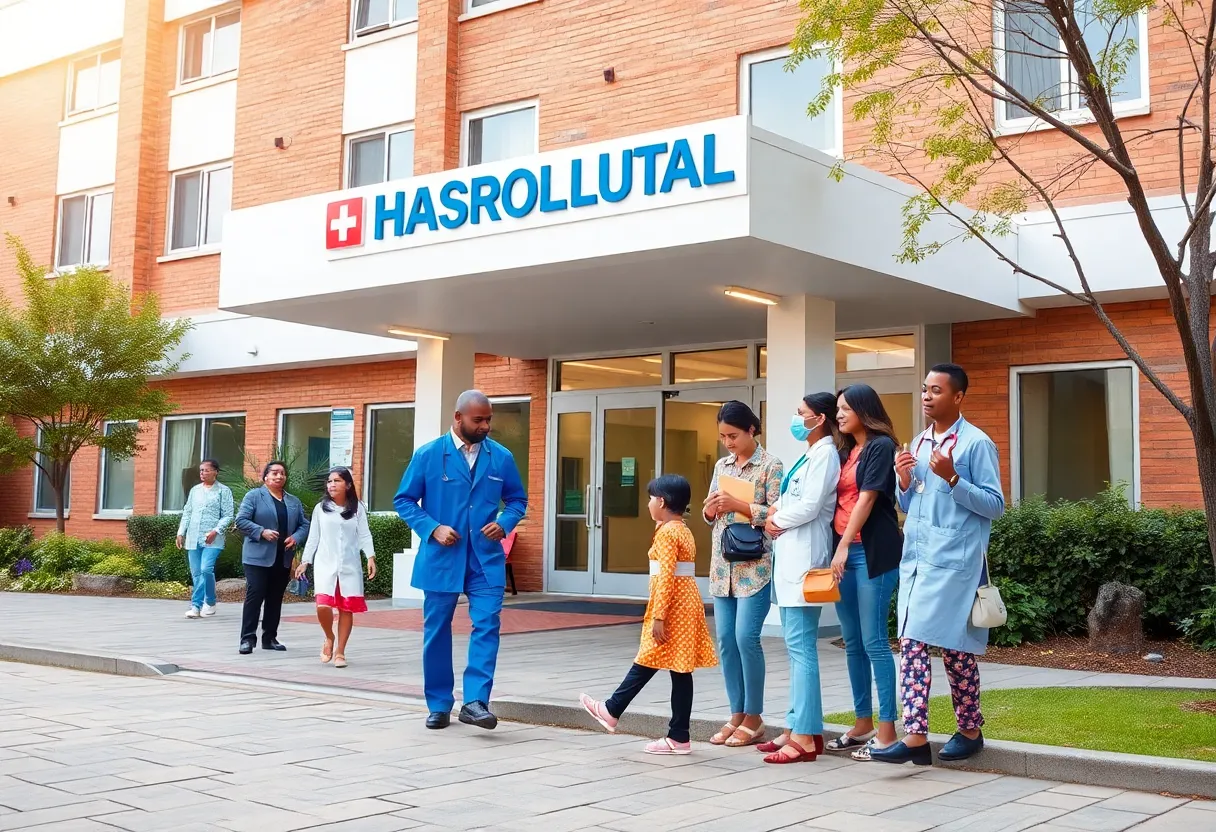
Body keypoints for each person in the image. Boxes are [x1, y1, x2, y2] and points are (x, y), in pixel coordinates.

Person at [872, 363, 1005, 766]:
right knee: (913, 641)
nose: (927, 397)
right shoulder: (919, 442)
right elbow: (911, 503)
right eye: (924, 389)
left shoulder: (976, 444)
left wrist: (953, 479)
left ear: (958, 396)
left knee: (954, 649)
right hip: (919, 560)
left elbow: (994, 505)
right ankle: (916, 735)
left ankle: (970, 730)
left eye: (936, 390)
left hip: (955, 562)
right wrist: (903, 482)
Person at [394, 390, 528, 731]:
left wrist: (505, 522)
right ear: (458, 418)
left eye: (488, 420)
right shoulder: (428, 455)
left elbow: (517, 500)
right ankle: (439, 704)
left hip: (485, 560)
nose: (485, 426)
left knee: (487, 624)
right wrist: (432, 528)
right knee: (437, 631)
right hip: (442, 558)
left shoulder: (501, 457)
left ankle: (475, 702)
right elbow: (404, 500)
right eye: (478, 420)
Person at [579, 475, 718, 755]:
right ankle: (677, 736)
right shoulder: (681, 529)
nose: (649, 504)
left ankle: (612, 710)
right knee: (679, 669)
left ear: (662, 502)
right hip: (686, 603)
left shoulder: (667, 533)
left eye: (651, 499)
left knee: (649, 657)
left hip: (673, 606)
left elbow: (665, 576)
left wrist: (659, 616)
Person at [760, 392, 842, 764]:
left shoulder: (825, 455)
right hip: (791, 558)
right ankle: (797, 726)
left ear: (820, 418)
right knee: (796, 649)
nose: (796, 419)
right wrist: (774, 511)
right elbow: (791, 497)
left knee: (801, 649)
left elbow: (810, 505)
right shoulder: (810, 454)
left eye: (801, 413)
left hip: (805, 560)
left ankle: (806, 736)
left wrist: (775, 520)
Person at [824, 384, 902, 761]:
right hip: (844, 555)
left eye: (846, 408)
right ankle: (862, 724)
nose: (839, 414)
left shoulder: (880, 446)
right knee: (852, 641)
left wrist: (842, 547)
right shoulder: (845, 451)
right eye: (837, 409)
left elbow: (868, 498)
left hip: (871, 555)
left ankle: (887, 732)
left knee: (874, 641)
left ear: (864, 410)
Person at [701, 400, 783, 748]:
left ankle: (754, 716)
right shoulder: (722, 465)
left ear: (751, 429)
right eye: (723, 437)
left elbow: (777, 513)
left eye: (733, 436)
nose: (728, 443)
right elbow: (709, 513)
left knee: (746, 638)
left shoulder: (771, 466)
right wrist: (710, 510)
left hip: (755, 566)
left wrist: (741, 506)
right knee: (725, 640)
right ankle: (736, 713)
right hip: (723, 567)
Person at [295, 467, 376, 669]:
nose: (331, 485)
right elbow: (313, 537)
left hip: (349, 565)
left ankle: (340, 651)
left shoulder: (358, 508)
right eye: (329, 481)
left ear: (347, 485)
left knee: (346, 608)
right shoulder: (320, 508)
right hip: (325, 564)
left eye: (337, 481)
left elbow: (364, 534)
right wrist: (305, 561)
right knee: (322, 605)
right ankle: (329, 637)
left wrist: (370, 557)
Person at [234, 461, 309, 655]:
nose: (279, 476)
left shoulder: (293, 501)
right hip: (257, 557)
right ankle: (247, 639)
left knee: (275, 598)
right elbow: (241, 520)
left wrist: (296, 537)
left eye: (282, 473)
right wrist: (261, 531)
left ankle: (269, 638)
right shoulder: (254, 496)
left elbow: (304, 524)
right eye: (274, 473)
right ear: (265, 476)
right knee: (255, 595)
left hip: (282, 557)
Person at [175, 459, 234, 620]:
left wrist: (216, 530)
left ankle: (196, 606)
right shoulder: (195, 490)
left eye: (206, 470)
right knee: (196, 573)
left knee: (206, 569)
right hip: (193, 537)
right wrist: (181, 532)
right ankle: (210, 601)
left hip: (212, 539)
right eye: (201, 470)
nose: (203, 473)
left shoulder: (223, 491)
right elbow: (187, 512)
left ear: (216, 472)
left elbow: (228, 515)